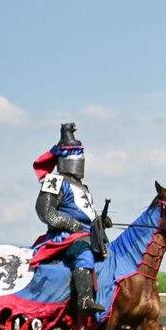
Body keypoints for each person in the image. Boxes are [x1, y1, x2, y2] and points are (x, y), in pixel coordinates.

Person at [32, 123, 107, 315]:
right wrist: (72, 225)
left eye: (80, 156)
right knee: (84, 251)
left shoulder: (84, 187)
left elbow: (87, 213)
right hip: (64, 235)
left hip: (87, 233)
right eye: (75, 156)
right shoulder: (53, 180)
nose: (79, 160)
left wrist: (100, 222)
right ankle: (84, 299)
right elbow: (45, 211)